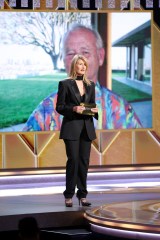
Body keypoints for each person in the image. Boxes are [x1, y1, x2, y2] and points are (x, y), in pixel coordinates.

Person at [22, 23, 142, 131]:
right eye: (70, 54)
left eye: (85, 52)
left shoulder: (120, 109)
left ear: (100, 56)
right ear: (64, 61)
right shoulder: (46, 109)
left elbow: (141, 151)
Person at [56, 54, 98, 207]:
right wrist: (73, 108)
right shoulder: (65, 84)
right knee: (73, 161)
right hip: (71, 128)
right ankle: (68, 195)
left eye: (84, 64)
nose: (82, 67)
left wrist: (94, 110)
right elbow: (59, 107)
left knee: (84, 162)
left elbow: (91, 105)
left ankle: (82, 195)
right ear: (74, 66)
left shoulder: (91, 84)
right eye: (79, 64)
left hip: (87, 129)